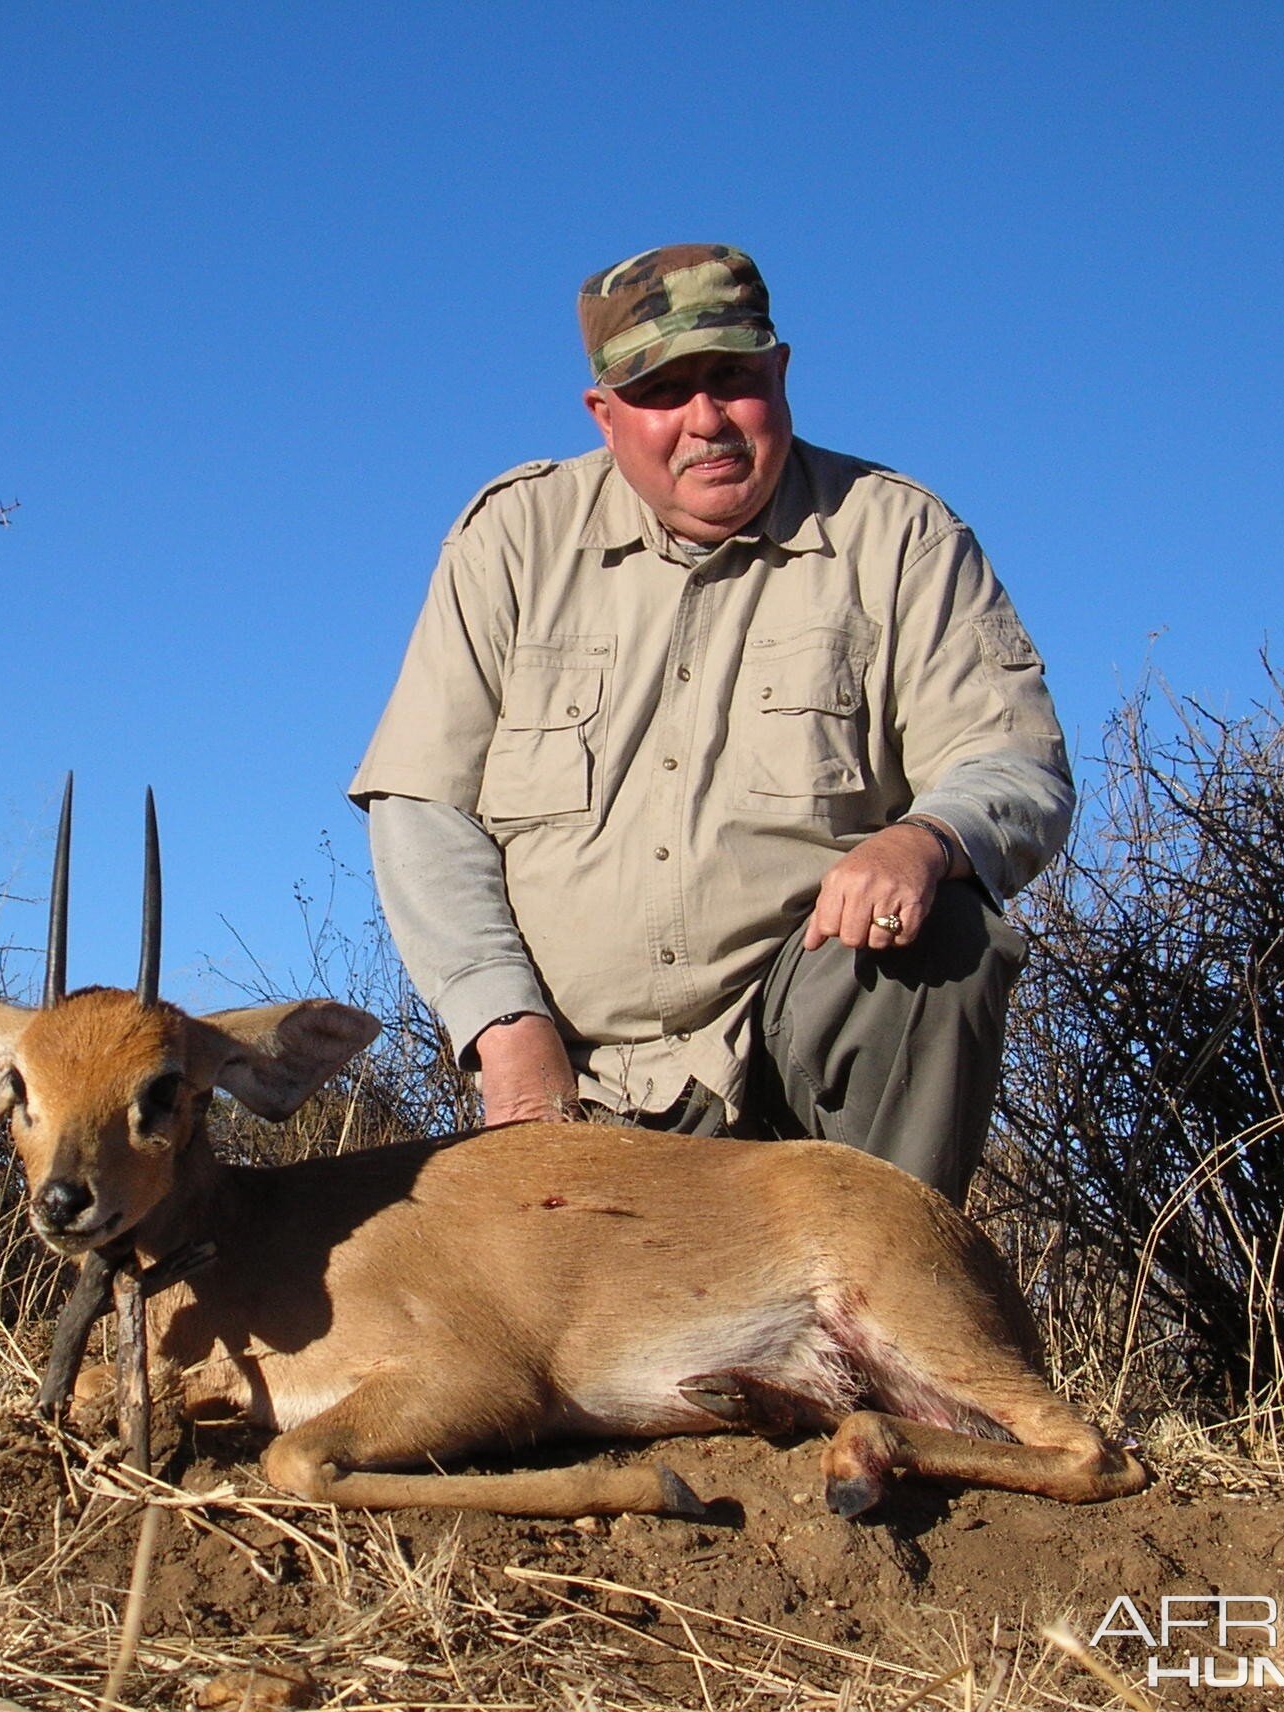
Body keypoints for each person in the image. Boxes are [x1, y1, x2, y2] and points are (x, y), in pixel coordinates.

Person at [348, 244, 1073, 1204]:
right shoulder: (510, 537)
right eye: (661, 391)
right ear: (604, 415)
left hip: (795, 1044)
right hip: (570, 1074)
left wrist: (925, 839)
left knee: (944, 928)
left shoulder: (900, 536)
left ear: (779, 371)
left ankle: (882, 1277)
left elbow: (1014, 763)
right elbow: (421, 804)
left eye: (731, 377)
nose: (706, 421)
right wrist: (504, 1025)